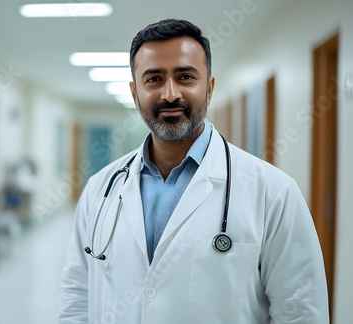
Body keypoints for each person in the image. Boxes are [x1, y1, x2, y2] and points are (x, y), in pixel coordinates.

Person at [59, 19, 329, 323]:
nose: (170, 94)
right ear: (135, 94)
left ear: (209, 88)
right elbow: (76, 298)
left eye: (185, 77)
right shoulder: (100, 188)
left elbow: (301, 311)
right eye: (154, 79)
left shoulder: (273, 192)